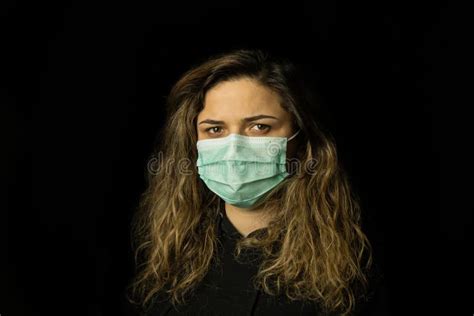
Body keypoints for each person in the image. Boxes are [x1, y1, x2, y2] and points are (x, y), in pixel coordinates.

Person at [125, 49, 390, 315]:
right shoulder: (169, 259)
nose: (233, 149)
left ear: (301, 138)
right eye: (215, 129)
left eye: (259, 127)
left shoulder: (355, 262)